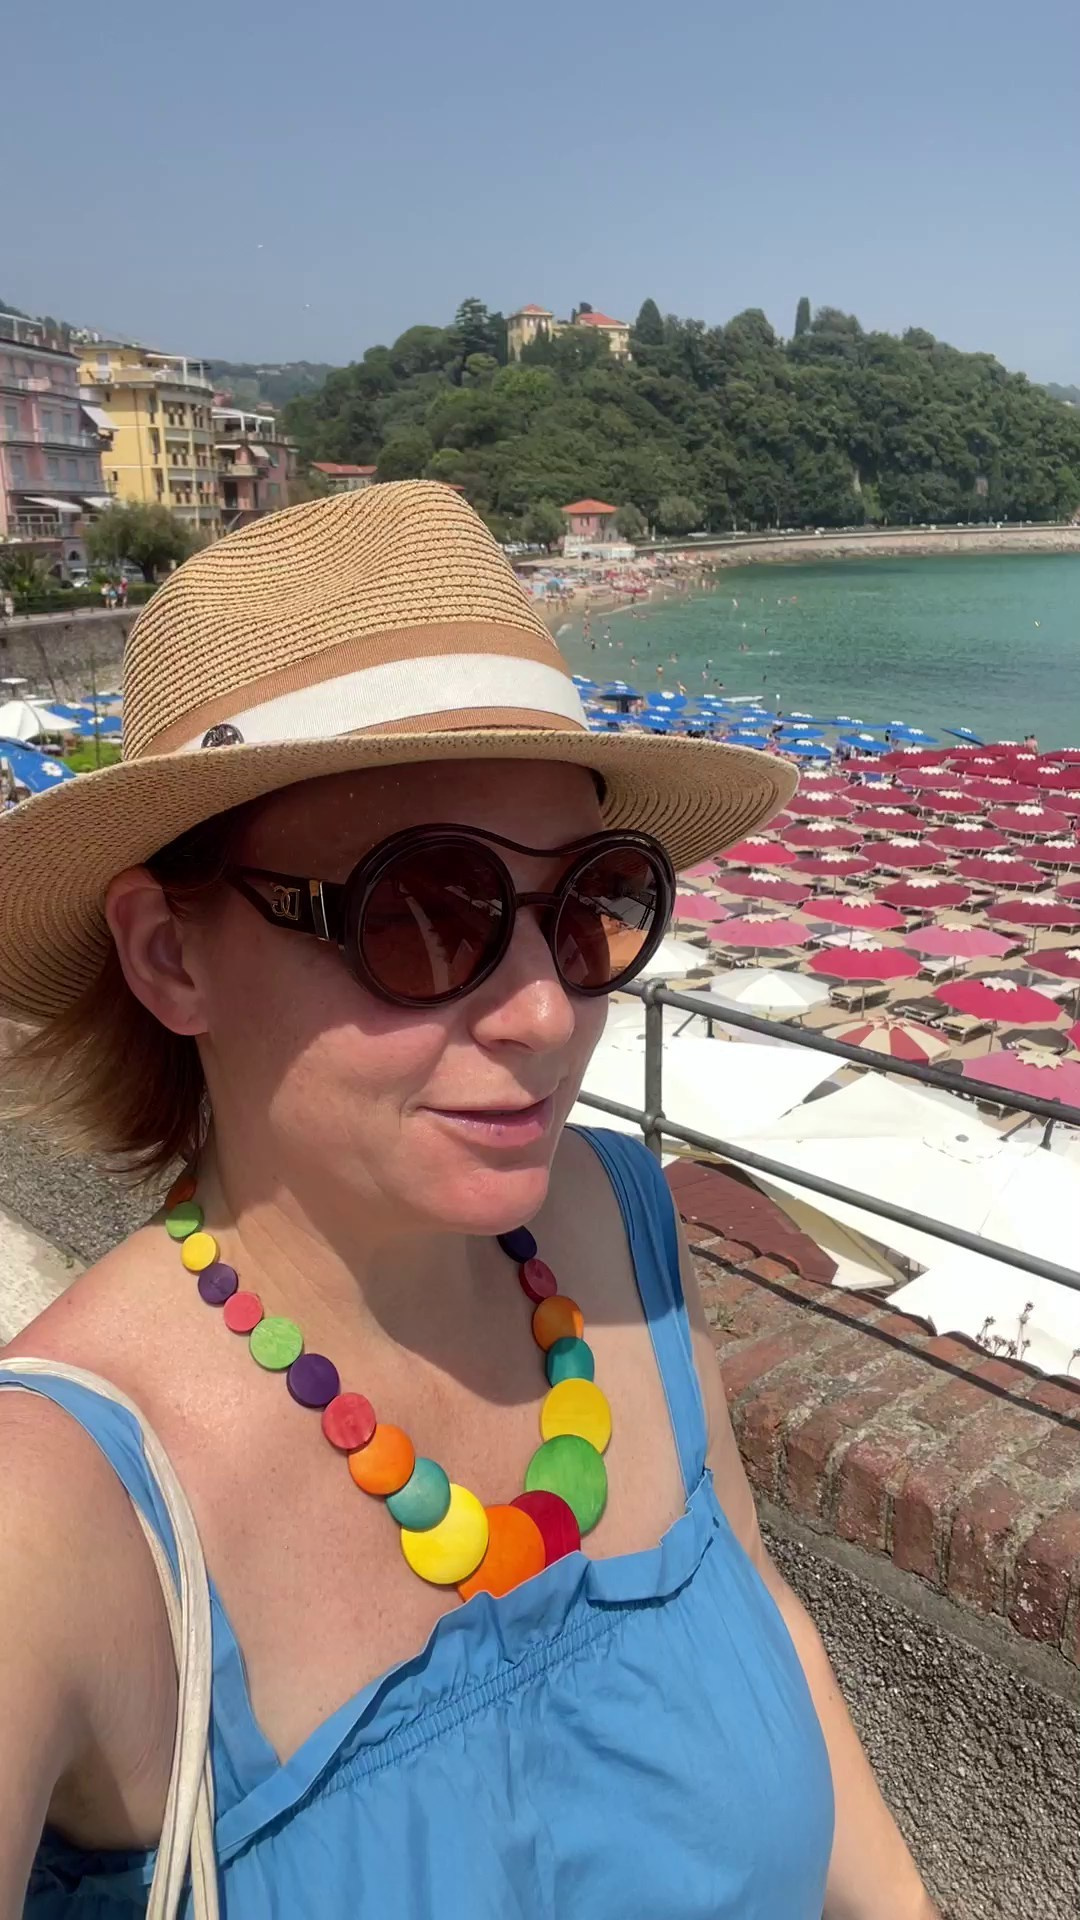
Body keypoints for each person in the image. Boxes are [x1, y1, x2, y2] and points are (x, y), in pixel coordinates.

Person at [0, 484, 937, 1919]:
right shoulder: (58, 1515)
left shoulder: (621, 1226)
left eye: (592, 903)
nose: (547, 1012)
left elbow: (767, 1624)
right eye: (425, 914)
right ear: (170, 957)